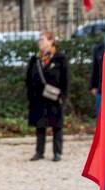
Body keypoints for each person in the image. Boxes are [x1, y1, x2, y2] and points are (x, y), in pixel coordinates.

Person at [25, 31, 68, 162]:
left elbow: (66, 79)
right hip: (38, 98)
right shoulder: (35, 59)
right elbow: (28, 78)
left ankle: (57, 152)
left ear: (51, 41)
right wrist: (30, 95)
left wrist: (63, 96)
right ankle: (39, 151)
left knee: (57, 126)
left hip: (55, 97)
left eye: (43, 40)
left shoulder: (60, 58)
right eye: (39, 40)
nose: (40, 42)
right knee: (40, 125)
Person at [90, 42, 105, 117]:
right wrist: (93, 86)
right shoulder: (98, 49)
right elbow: (95, 69)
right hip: (101, 90)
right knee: (101, 118)